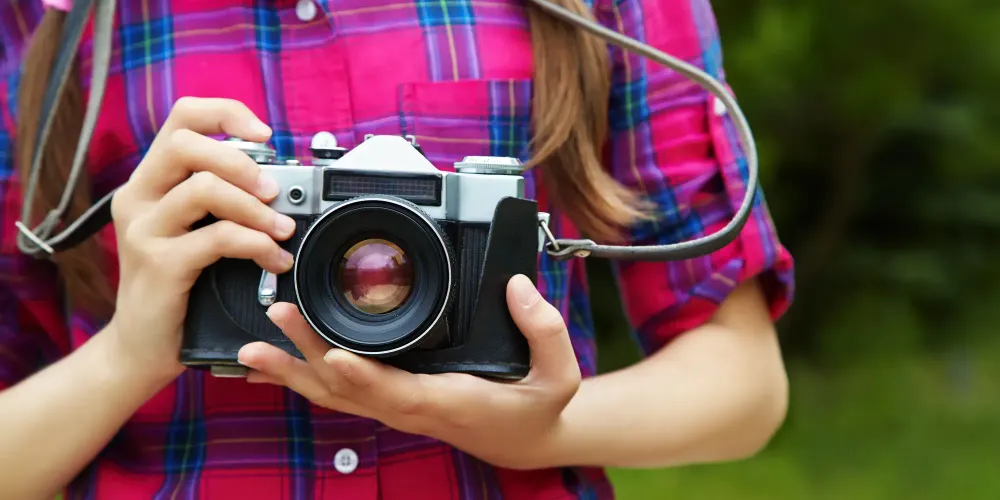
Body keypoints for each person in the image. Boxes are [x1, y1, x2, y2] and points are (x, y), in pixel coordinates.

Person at [0, 0, 795, 497]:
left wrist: (541, 429)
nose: (371, 276)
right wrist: (128, 355)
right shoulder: (50, 21)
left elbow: (743, 387)